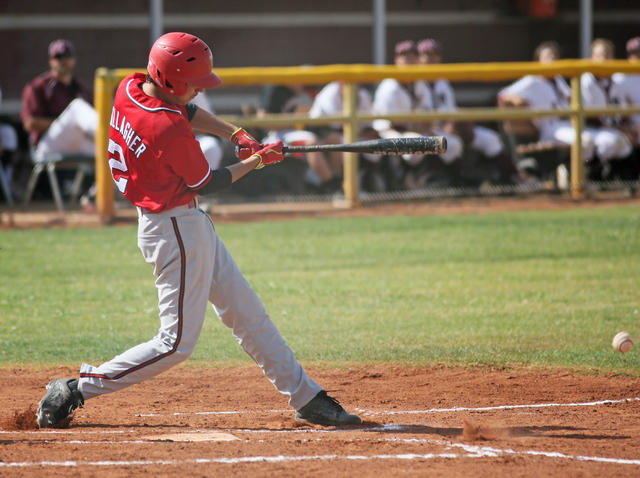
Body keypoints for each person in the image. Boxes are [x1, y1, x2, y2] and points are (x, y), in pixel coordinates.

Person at [35, 32, 361, 429]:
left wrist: (234, 133)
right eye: (193, 84)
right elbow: (208, 181)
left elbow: (184, 111)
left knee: (247, 313)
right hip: (173, 229)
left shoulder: (131, 86)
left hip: (180, 222)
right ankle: (76, 387)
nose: (198, 91)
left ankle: (307, 397)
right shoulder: (165, 128)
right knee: (175, 343)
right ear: (171, 80)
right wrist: (259, 160)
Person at [498, 40, 632, 173]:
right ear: (538, 61)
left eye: (555, 56)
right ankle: (573, 172)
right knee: (584, 141)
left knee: (611, 140)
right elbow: (502, 95)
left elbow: (571, 97)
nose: (552, 59)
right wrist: (517, 99)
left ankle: (582, 172)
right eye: (547, 56)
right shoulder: (532, 79)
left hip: (569, 124)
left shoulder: (558, 78)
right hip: (551, 127)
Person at [417, 38, 521, 185]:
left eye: (435, 55)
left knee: (490, 138)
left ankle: (511, 179)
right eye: (427, 55)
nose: (431, 59)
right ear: (419, 58)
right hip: (428, 130)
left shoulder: (442, 80)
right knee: (451, 144)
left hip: (446, 127)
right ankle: (462, 182)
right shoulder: (415, 82)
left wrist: (458, 122)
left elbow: (451, 110)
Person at [372, 40, 464, 189]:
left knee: (449, 143)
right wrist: (419, 126)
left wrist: (428, 125)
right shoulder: (389, 86)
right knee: (417, 143)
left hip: (414, 128)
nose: (410, 61)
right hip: (389, 131)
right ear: (397, 60)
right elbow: (390, 124)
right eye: (405, 57)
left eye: (413, 56)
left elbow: (425, 113)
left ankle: (441, 180)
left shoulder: (419, 83)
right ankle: (405, 183)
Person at [21, 39, 97, 162]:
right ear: (51, 60)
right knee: (77, 107)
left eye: (67, 56)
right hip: (46, 145)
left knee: (111, 151)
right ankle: (109, 134)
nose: (63, 61)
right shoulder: (38, 86)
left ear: (74, 60)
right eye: (58, 57)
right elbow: (29, 123)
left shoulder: (81, 88)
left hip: (75, 140)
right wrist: (63, 123)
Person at [579, 38, 634, 171]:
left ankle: (614, 177)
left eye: (607, 55)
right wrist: (622, 130)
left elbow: (624, 112)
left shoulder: (616, 79)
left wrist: (629, 127)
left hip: (611, 128)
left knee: (623, 142)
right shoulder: (587, 80)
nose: (604, 59)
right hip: (591, 129)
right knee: (610, 141)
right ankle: (582, 171)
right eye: (600, 55)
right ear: (592, 58)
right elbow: (592, 119)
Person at [611, 37, 640, 146]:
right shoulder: (619, 78)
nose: (638, 57)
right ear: (628, 56)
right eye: (635, 53)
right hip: (629, 126)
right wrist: (627, 127)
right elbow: (619, 111)